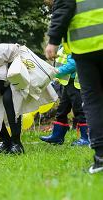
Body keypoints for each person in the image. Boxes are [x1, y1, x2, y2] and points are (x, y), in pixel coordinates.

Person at [45, 0, 103, 174]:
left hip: (86, 49)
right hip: (77, 63)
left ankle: (101, 157)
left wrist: (53, 39)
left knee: (92, 102)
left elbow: (64, 8)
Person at [40, 45, 89, 146]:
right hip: (67, 84)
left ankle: (86, 138)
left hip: (76, 84)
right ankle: (57, 136)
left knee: (80, 111)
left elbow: (73, 64)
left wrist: (56, 72)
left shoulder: (73, 44)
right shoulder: (63, 45)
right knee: (61, 111)